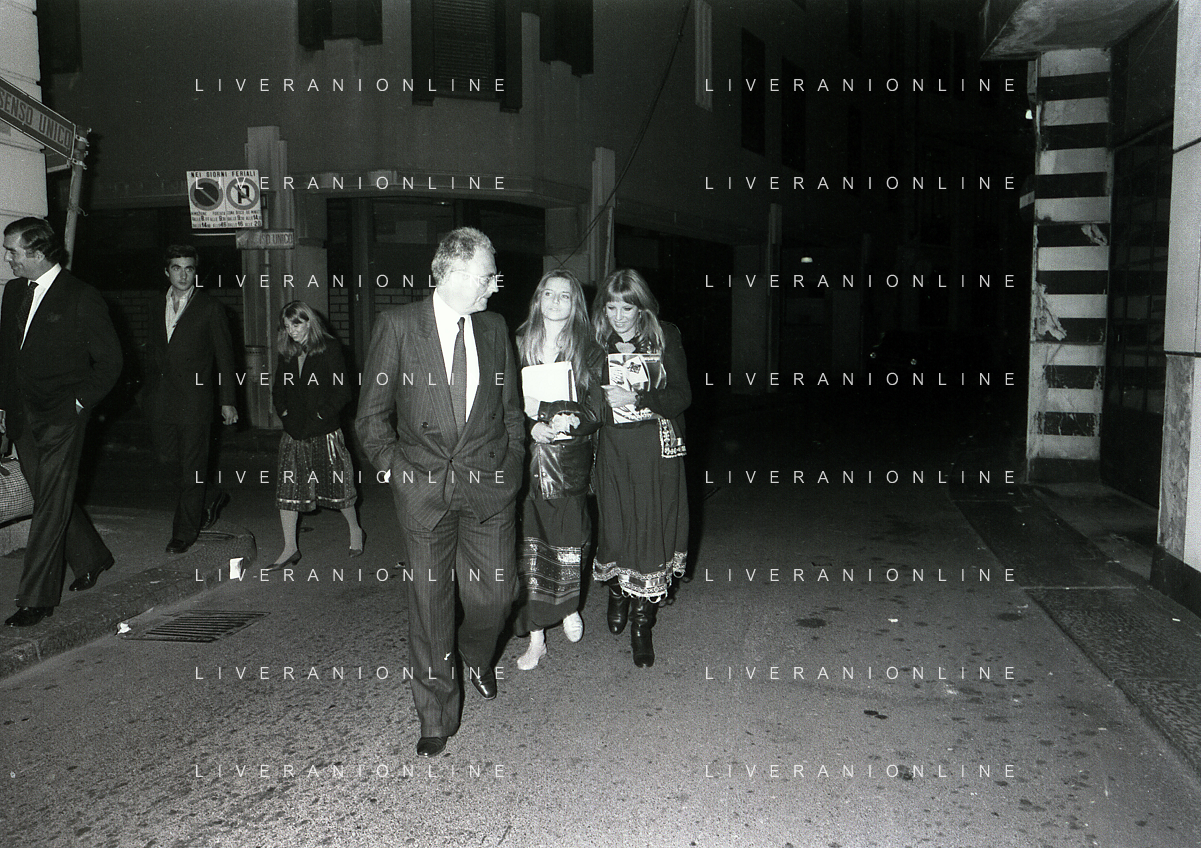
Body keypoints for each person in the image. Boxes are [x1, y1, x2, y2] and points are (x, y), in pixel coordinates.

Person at [355, 227, 524, 758]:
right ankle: (435, 714)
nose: (494, 286)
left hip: (489, 487)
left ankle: (475, 653)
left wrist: (513, 465)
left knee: (496, 597)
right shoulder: (398, 326)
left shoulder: (495, 328)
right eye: (488, 276)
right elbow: (371, 418)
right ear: (452, 273)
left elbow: (512, 412)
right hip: (424, 491)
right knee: (430, 608)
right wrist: (397, 473)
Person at [0, 217, 123, 627]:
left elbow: (110, 362)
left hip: (62, 418)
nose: (8, 258)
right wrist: (3, 410)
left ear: (37, 253)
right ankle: (92, 557)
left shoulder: (80, 296)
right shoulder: (14, 292)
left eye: (13, 251)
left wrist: (78, 403)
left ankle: (36, 598)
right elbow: (8, 358)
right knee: (49, 495)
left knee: (49, 506)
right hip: (23, 416)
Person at [591, 269, 690, 667]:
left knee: (649, 530)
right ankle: (618, 590)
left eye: (627, 308)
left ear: (642, 307)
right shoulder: (595, 341)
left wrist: (639, 397)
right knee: (615, 524)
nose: (618, 317)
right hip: (612, 447)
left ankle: (641, 623)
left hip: (653, 448)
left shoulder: (664, 336)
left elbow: (682, 395)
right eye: (611, 307)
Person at [513, 270, 603, 671]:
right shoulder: (517, 343)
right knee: (529, 549)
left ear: (575, 304)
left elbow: (597, 409)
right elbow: (500, 399)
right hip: (525, 458)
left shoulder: (590, 348)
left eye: (564, 296)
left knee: (571, 540)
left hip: (568, 461)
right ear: (538, 299)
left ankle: (568, 605)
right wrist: (531, 424)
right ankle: (536, 637)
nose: (555, 301)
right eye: (548, 293)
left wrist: (561, 416)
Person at [143, 245, 238, 554]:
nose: (183, 275)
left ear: (196, 272)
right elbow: (153, 351)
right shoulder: (155, 304)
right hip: (161, 400)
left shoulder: (210, 307)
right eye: (176, 268)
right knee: (166, 459)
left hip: (195, 401)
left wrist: (227, 400)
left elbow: (225, 357)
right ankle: (210, 496)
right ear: (166, 271)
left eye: (189, 269)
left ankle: (184, 532)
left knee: (192, 468)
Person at [269, 301, 362, 567]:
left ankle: (355, 530)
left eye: (296, 324)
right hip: (295, 431)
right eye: (287, 326)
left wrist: (320, 416)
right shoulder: (287, 350)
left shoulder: (330, 347)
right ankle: (290, 548)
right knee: (288, 489)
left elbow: (342, 392)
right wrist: (284, 414)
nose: (292, 331)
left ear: (309, 322)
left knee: (338, 487)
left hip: (324, 430)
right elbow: (278, 389)